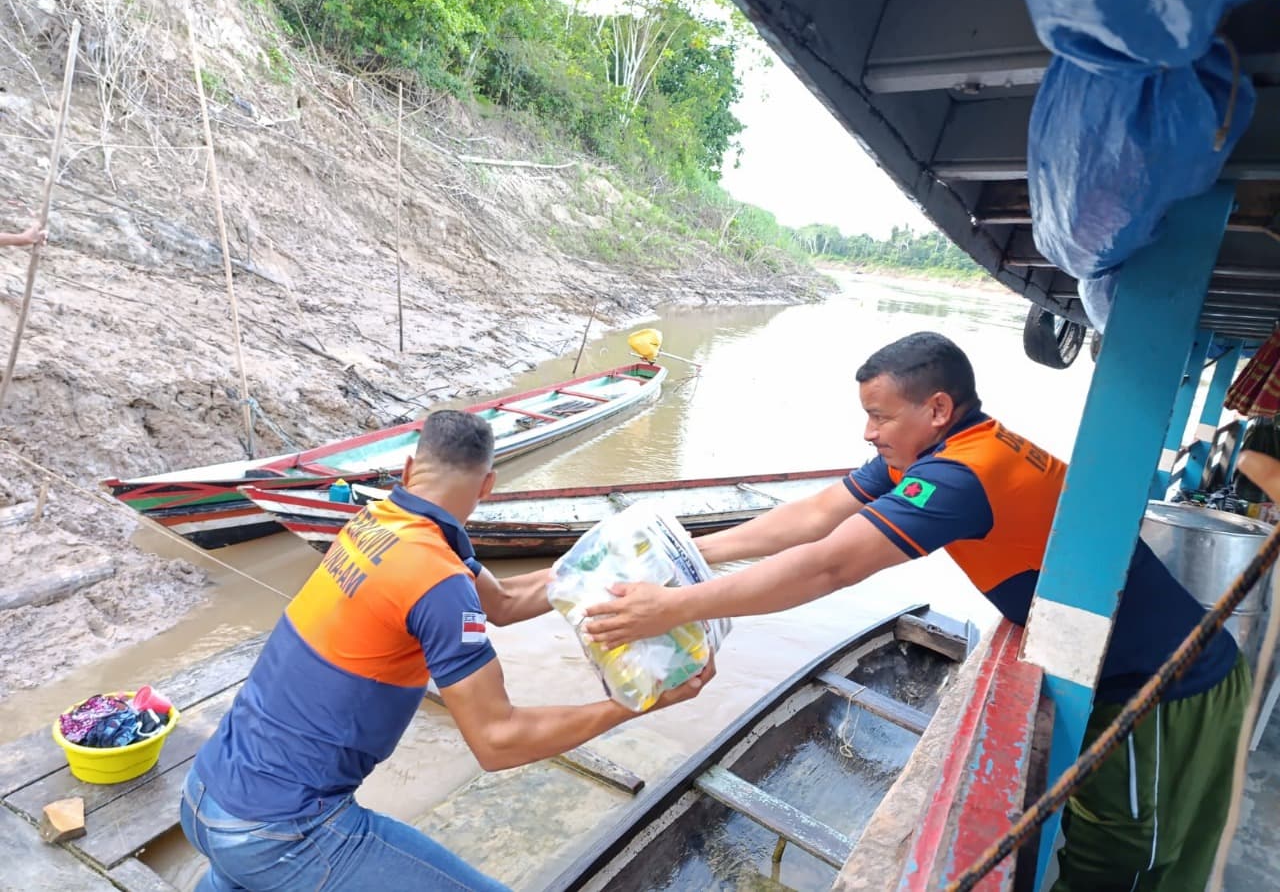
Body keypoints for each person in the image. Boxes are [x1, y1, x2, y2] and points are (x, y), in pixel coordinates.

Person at [583, 331, 1249, 892]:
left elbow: (831, 563)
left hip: (1163, 689)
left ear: (936, 407)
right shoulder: (947, 449)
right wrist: (687, 556)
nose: (868, 431)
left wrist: (671, 606)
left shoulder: (959, 477)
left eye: (880, 415)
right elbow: (816, 516)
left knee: (1126, 865)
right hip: (1138, 670)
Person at [182, 410, 713, 891]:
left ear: (411, 468)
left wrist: (594, 569)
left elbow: (503, 603)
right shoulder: (437, 580)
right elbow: (497, 742)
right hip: (284, 835)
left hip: (204, 795)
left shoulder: (379, 523)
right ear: (488, 484)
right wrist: (639, 701)